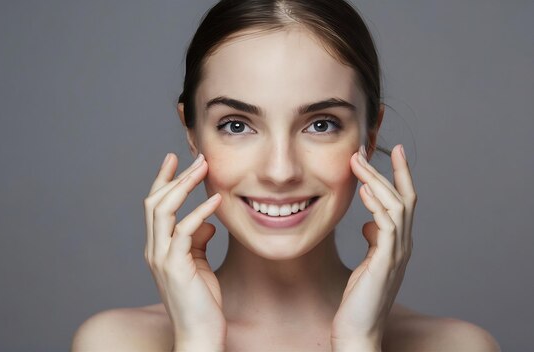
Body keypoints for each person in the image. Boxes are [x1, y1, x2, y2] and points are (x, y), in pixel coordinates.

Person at [72, 0, 500, 350]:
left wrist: (358, 341)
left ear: (369, 136)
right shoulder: (114, 342)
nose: (280, 171)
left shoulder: (458, 346)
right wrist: (198, 341)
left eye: (321, 124)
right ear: (192, 132)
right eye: (236, 125)